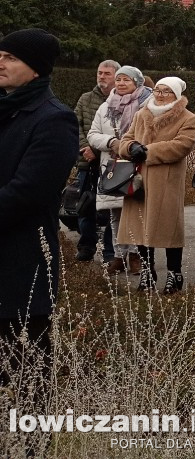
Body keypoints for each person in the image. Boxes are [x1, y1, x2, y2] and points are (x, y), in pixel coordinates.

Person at [0, 29, 78, 392]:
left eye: (11, 57)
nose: (0, 62)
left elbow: (27, 193)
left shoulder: (53, 119)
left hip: (20, 266)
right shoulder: (5, 109)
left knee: (25, 381)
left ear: (36, 69)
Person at [115, 76, 195, 294]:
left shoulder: (188, 118)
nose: (160, 95)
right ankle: (147, 270)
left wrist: (148, 151)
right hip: (139, 179)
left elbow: (182, 146)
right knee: (140, 225)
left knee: (169, 227)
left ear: (176, 95)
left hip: (167, 180)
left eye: (166, 92)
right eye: (157, 91)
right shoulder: (142, 114)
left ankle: (174, 273)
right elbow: (126, 138)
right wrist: (131, 147)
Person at [87, 65, 151, 276]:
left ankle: (136, 255)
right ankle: (118, 255)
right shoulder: (106, 107)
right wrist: (113, 142)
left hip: (137, 165)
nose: (121, 84)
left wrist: (133, 146)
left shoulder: (147, 105)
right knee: (115, 214)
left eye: (127, 80)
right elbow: (93, 134)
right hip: (112, 166)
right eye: (119, 79)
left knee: (136, 212)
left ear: (137, 83)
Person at [72, 58, 120, 262]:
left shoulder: (122, 101)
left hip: (112, 164)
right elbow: (76, 125)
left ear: (116, 76)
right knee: (85, 206)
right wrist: (87, 149)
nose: (102, 76)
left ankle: (111, 252)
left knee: (111, 207)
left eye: (106, 73)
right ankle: (87, 246)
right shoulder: (85, 99)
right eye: (100, 72)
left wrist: (98, 149)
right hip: (86, 162)